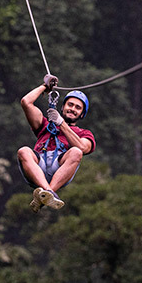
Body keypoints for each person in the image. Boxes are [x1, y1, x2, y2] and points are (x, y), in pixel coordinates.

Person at [17, 75, 95, 212]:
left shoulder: (84, 134)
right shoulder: (45, 125)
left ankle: (48, 191)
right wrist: (45, 86)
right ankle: (48, 193)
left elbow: (82, 148)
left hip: (59, 170)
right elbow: (26, 102)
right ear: (63, 106)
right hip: (38, 167)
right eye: (70, 105)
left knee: (76, 152)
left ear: (82, 114)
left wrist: (61, 123)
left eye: (78, 107)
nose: (72, 109)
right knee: (23, 151)